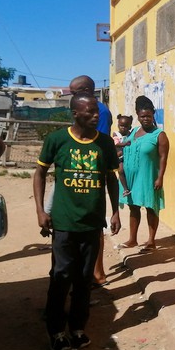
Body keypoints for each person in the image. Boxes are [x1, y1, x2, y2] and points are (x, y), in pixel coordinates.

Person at [33, 94, 121, 350]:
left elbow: (111, 179)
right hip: (64, 222)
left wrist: (115, 211)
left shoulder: (104, 143)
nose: (96, 116)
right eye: (90, 112)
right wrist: (40, 210)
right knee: (61, 276)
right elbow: (39, 172)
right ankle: (56, 331)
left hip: (92, 223)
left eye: (97, 112)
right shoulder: (57, 140)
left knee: (84, 279)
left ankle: (78, 328)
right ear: (75, 113)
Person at [69, 75, 113, 287]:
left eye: (75, 91)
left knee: (93, 222)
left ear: (85, 89)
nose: (73, 96)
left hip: (89, 171)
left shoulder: (99, 112)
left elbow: (98, 143)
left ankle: (98, 272)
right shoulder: (85, 108)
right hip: (79, 168)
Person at [117, 96, 169, 252]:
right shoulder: (132, 133)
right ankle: (132, 239)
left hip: (148, 177)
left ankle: (151, 241)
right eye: (142, 116)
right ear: (137, 116)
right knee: (133, 208)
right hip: (131, 178)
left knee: (151, 208)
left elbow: (163, 158)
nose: (145, 119)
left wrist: (160, 177)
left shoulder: (159, 135)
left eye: (148, 116)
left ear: (153, 114)